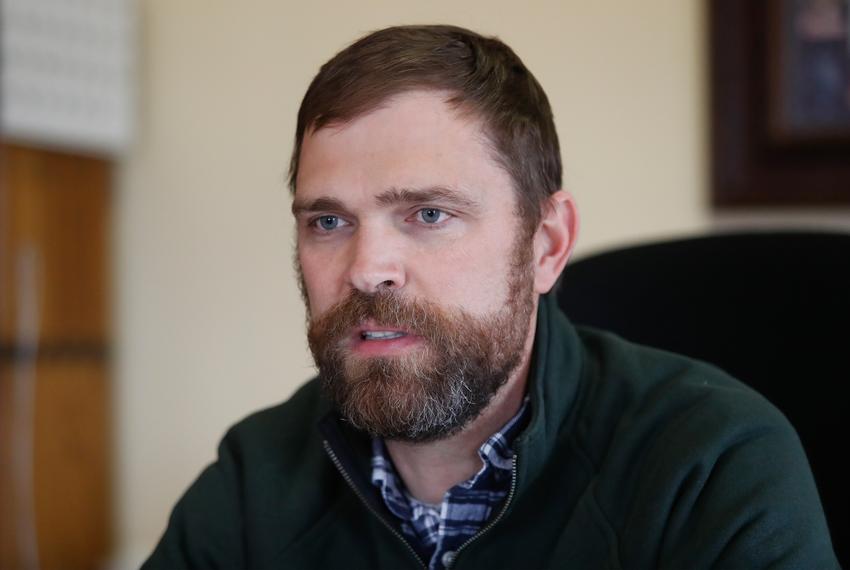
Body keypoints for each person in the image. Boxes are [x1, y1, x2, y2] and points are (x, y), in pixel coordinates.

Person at [143, 25, 839, 569]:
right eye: (329, 221)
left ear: (547, 244)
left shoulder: (710, 462)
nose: (366, 269)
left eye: (428, 214)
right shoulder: (257, 475)